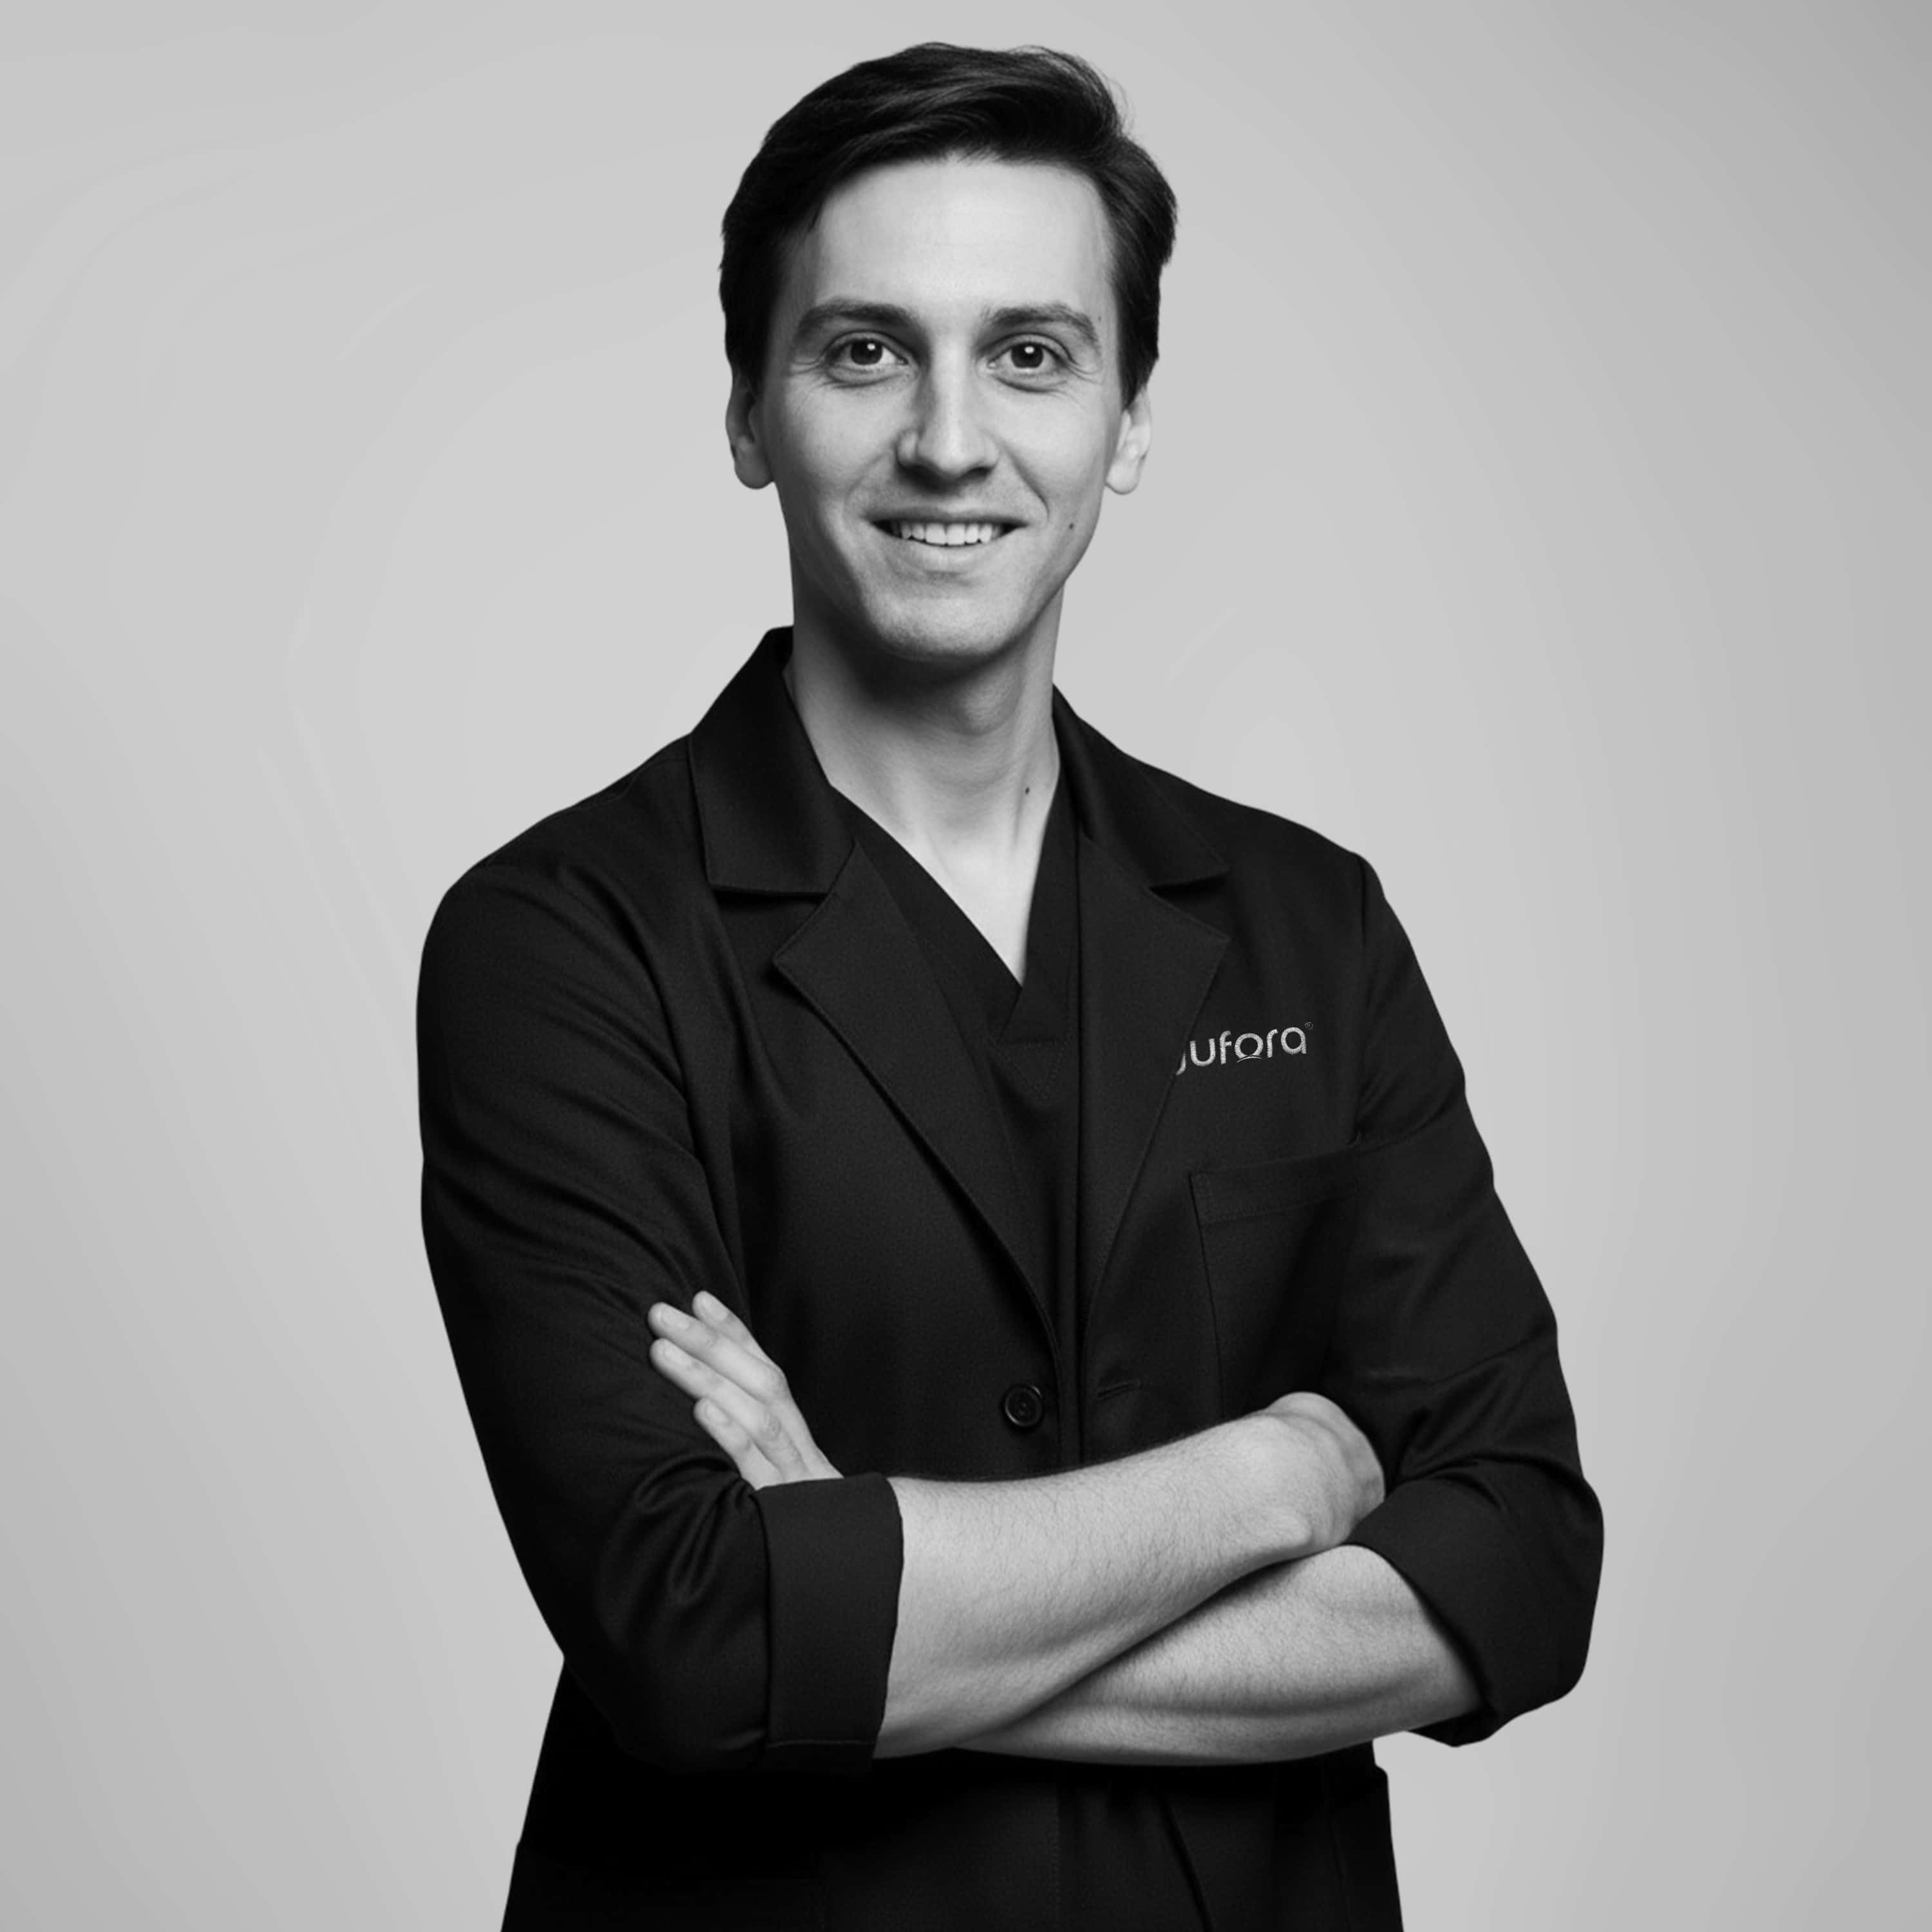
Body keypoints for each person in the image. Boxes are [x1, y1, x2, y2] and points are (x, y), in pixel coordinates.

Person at [415, 42, 1602, 1931]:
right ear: (748, 410)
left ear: (1127, 417)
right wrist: (1276, 1476)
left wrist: (873, 1616)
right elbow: (697, 1635)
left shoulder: (1310, 925)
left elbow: (1522, 1566)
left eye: (1033, 354)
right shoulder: (562, 942)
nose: (950, 439)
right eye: (864, 351)